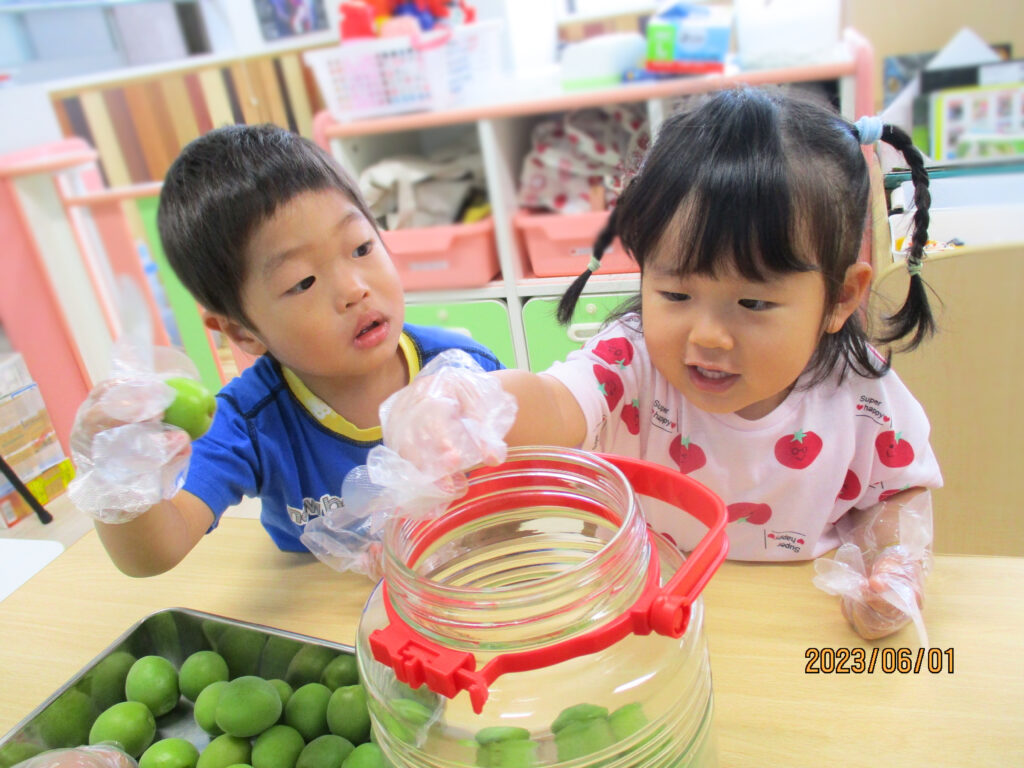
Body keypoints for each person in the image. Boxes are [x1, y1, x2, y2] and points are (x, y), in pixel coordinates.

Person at [384, 87, 942, 640]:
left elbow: (897, 495)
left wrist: (893, 565)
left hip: (793, 634)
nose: (707, 335)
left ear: (841, 298)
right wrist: (473, 402)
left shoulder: (860, 394)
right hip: (652, 622)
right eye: (675, 294)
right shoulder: (632, 360)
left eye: (753, 303)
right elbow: (554, 403)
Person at [67, 124, 504, 578]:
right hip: (324, 615)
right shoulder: (251, 423)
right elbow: (155, 553)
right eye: (302, 282)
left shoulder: (461, 371)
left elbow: (542, 477)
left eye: (361, 247)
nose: (355, 290)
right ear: (241, 332)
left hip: (470, 588)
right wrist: (117, 478)